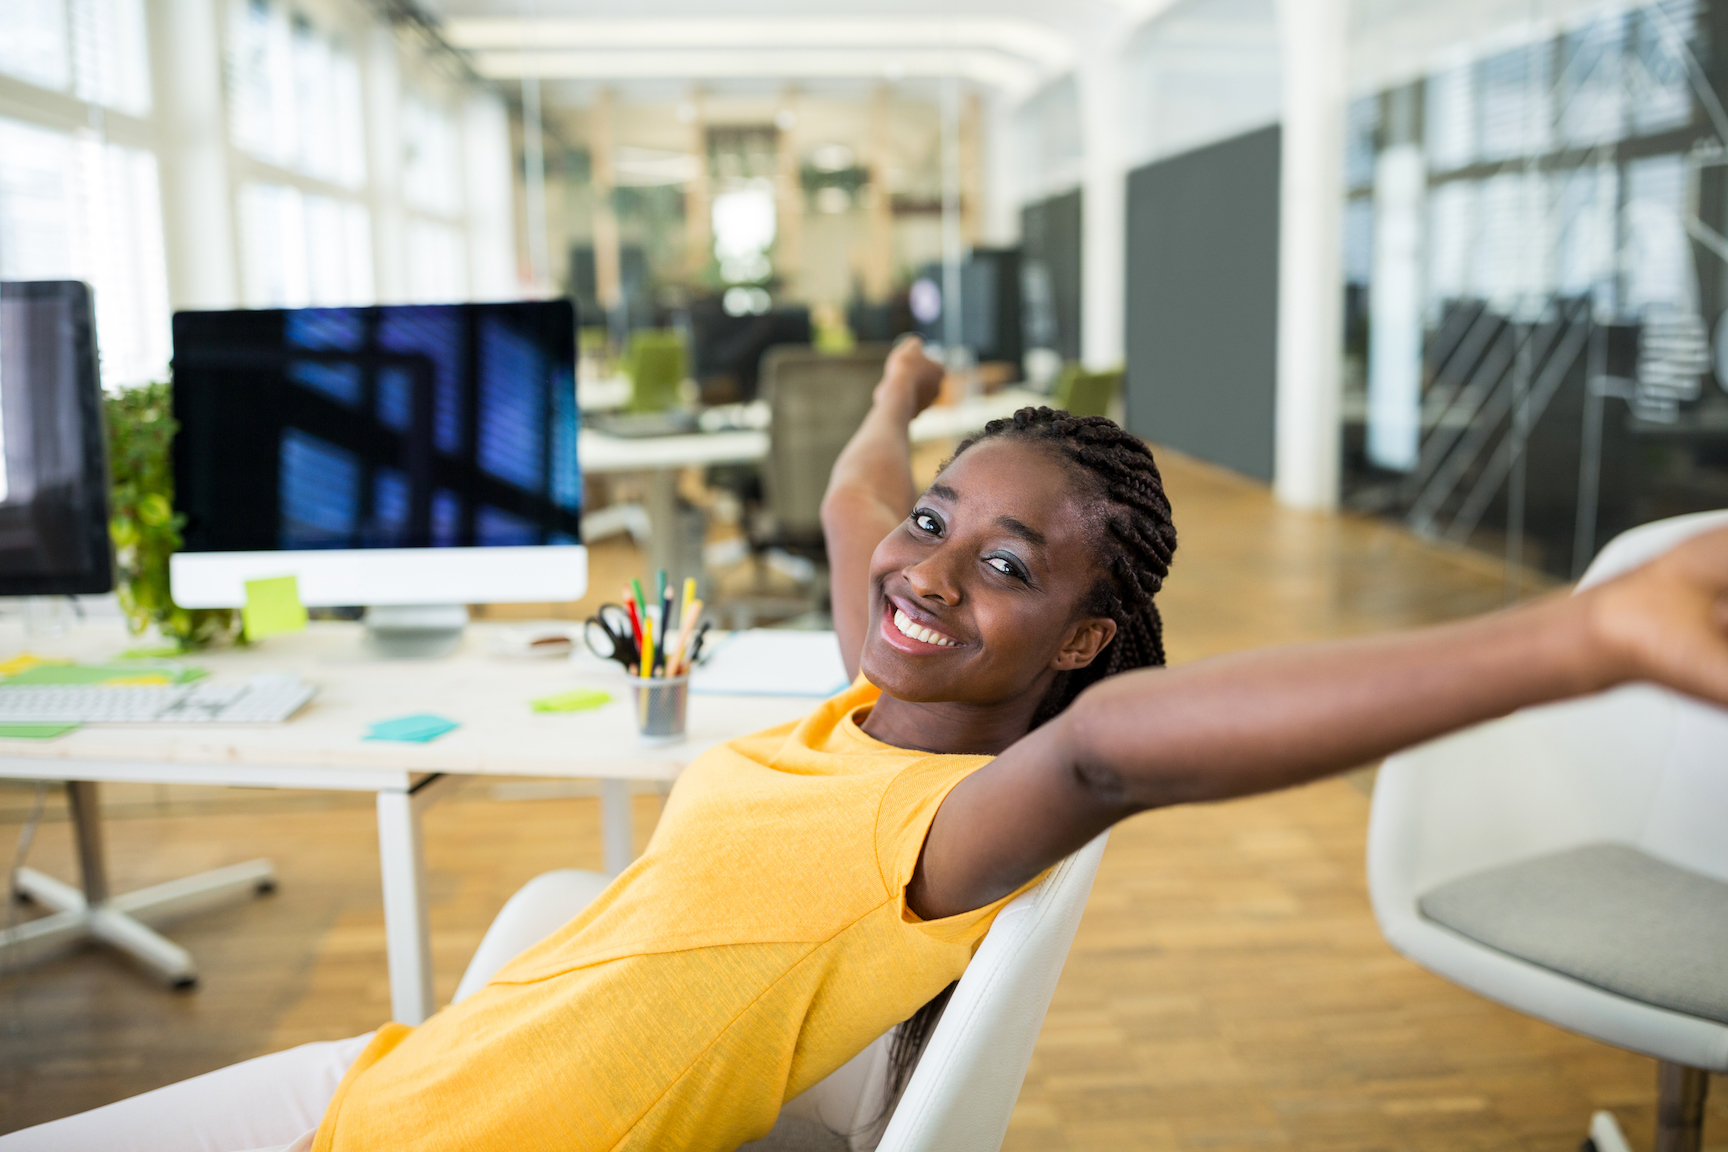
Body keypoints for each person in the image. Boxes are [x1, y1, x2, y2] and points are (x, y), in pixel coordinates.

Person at [6, 338, 1727, 1152]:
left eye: (1009, 566)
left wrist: (1577, 638)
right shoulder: (866, 699)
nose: (924, 569)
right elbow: (852, 501)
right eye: (937, 523)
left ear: (1087, 636)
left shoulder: (955, 817)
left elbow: (1120, 755)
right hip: (400, 1075)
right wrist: (897, 391)